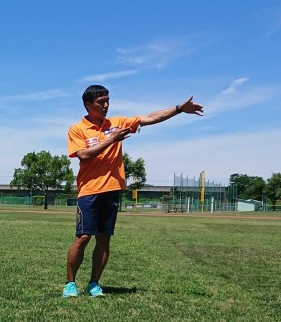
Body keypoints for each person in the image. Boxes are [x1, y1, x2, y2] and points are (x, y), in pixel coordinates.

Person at [63, 84, 203, 298]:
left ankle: (94, 284)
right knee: (83, 237)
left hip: (112, 190)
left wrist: (178, 109)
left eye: (107, 101)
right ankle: (70, 284)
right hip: (89, 191)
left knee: (104, 239)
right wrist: (111, 140)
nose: (106, 105)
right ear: (88, 105)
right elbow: (83, 155)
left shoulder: (117, 123)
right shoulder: (77, 129)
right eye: (100, 102)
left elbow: (149, 118)